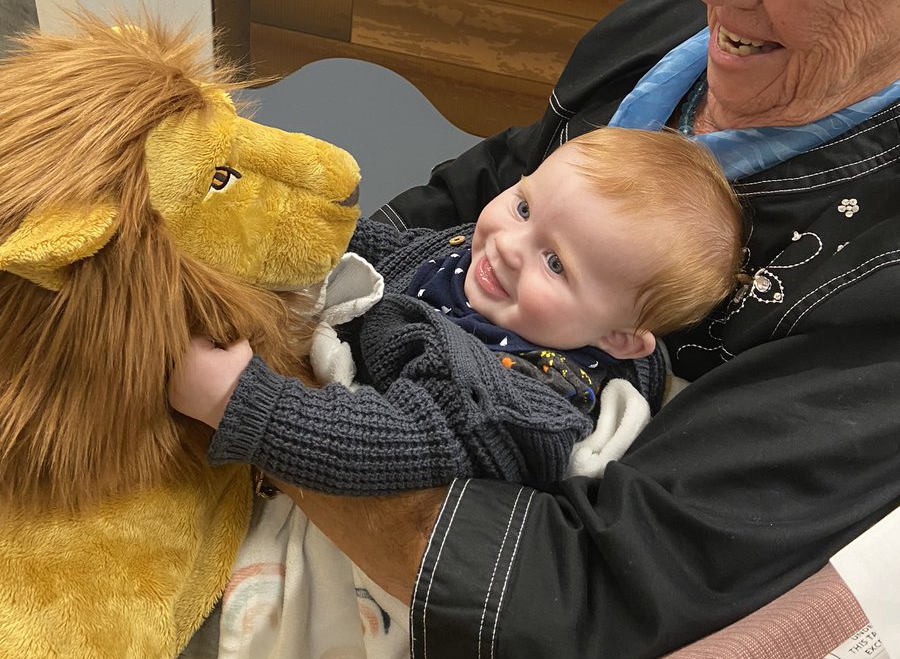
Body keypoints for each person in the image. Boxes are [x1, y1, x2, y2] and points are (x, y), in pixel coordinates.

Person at [200, 0, 900, 659]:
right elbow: (477, 186)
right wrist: (309, 282)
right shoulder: (661, 29)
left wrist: (265, 403)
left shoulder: (872, 285)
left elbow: (589, 591)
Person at [170, 127, 744, 494]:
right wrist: (285, 231)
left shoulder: (520, 399)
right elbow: (389, 253)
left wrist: (237, 402)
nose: (508, 246)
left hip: (328, 449)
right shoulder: (478, 258)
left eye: (555, 264)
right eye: (523, 206)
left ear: (619, 338)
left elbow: (389, 447)